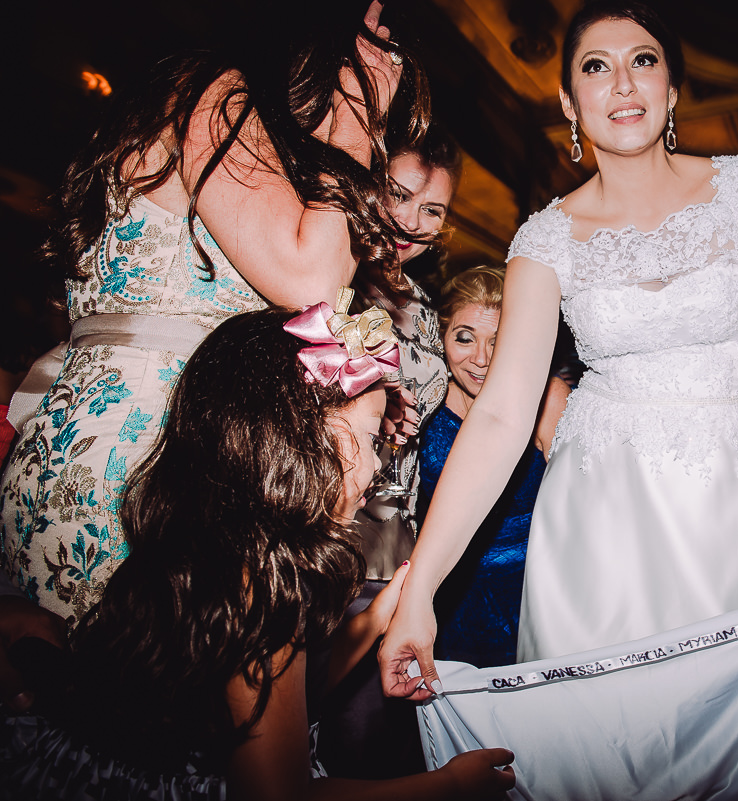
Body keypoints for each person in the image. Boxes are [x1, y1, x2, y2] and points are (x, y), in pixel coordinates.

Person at [383, 1, 738, 775]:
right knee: (611, 751)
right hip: (597, 524)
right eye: (595, 67)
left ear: (672, 88)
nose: (622, 82)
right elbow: (500, 413)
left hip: (734, 509)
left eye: (643, 60)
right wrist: (420, 591)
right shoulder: (544, 238)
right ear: (569, 105)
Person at [1, 0, 427, 630]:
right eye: (361, 70)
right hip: (134, 465)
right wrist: (356, 117)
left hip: (168, 460)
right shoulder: (213, 94)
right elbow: (311, 280)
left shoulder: (246, 142)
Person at [0, 305, 516, 800]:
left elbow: (278, 704)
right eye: (367, 437)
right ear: (301, 439)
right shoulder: (259, 586)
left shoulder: (221, 542)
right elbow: (279, 793)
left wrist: (383, 613)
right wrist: (448, 786)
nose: (378, 467)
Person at [419, 265, 570, 667]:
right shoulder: (424, 402)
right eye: (464, 338)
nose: (481, 359)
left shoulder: (546, 398)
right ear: (442, 333)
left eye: (497, 342)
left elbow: (577, 503)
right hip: (448, 596)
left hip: (532, 591)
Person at [351, 125, 462, 579]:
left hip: (399, 526)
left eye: (431, 210)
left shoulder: (424, 304)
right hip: (331, 514)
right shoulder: (333, 280)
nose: (411, 222)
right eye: (397, 195)